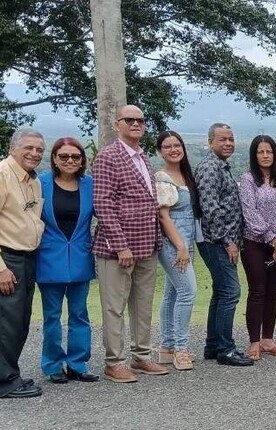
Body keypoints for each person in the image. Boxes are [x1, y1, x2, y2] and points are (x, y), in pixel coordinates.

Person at [93, 105, 170, 382]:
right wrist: (120, 245)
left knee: (142, 305)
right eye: (130, 120)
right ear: (118, 124)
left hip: (147, 245)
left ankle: (141, 356)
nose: (136, 123)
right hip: (118, 249)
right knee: (114, 307)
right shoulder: (108, 157)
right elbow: (103, 203)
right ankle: (114, 362)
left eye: (140, 120)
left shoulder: (143, 157)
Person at [36, 137, 98, 383]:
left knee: (80, 314)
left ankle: (77, 363)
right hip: (49, 257)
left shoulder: (89, 184)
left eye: (75, 156)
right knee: (52, 316)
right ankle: (52, 364)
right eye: (64, 156)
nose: (70, 160)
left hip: (80, 257)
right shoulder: (41, 183)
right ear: (54, 159)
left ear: (82, 160)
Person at [195, 122, 253, 367]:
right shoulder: (210, 167)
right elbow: (210, 209)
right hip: (216, 240)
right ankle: (226, 350)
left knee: (220, 292)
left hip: (220, 240)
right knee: (231, 291)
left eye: (231, 139)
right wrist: (228, 241)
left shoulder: (221, 167)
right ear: (210, 142)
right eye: (222, 139)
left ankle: (213, 345)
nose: (228, 143)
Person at [0, 127, 46, 398]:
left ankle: (11, 375)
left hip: (27, 257)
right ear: (12, 148)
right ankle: (4, 382)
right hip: (8, 258)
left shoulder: (32, 180)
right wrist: (1, 268)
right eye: (28, 148)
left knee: (19, 320)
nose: (34, 153)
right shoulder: (3, 174)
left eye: (39, 149)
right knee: (7, 322)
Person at [239, 135, 276, 361]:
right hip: (255, 243)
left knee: (273, 292)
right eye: (260, 152)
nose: (265, 156)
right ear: (254, 155)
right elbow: (249, 213)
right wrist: (273, 239)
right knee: (258, 291)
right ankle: (254, 342)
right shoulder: (248, 179)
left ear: (275, 153)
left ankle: (268, 339)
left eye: (269, 151)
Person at [155, 131, 201, 371]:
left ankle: (167, 346)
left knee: (172, 294)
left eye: (177, 145)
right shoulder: (162, 178)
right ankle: (181, 349)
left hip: (187, 240)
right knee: (188, 291)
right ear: (160, 151)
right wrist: (180, 246)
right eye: (167, 146)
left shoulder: (185, 175)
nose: (173, 149)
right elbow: (163, 216)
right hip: (172, 243)